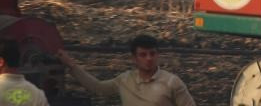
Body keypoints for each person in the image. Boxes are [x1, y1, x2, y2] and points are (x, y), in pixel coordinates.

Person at [55, 35, 194, 106]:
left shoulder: (172, 82)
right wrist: (71, 65)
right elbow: (98, 88)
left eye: (152, 53)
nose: (149, 58)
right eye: (143, 55)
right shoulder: (125, 80)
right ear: (134, 58)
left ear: (158, 55)